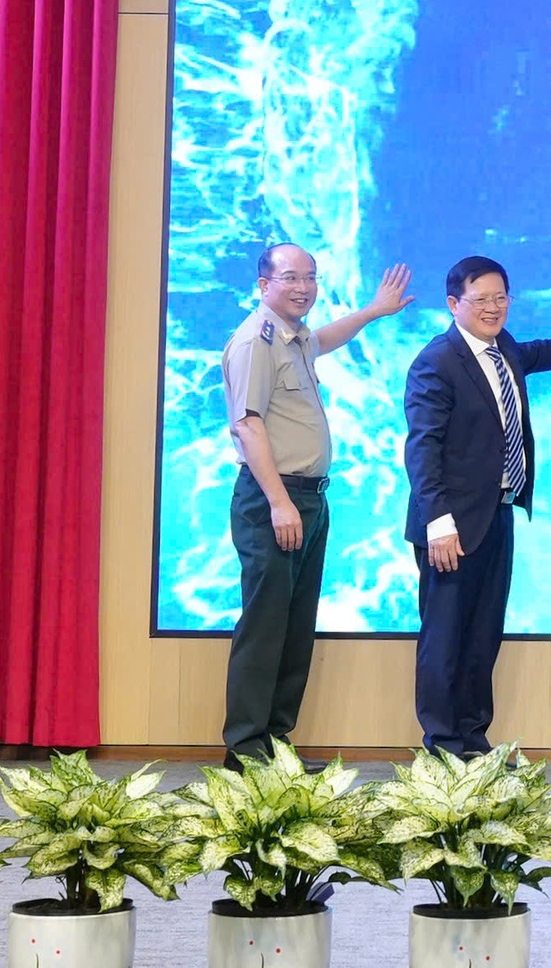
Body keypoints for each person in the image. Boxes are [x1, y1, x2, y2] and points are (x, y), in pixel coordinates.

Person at [402, 256, 551, 758]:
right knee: (445, 638)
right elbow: (422, 448)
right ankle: (442, 746)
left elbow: (538, 353)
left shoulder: (501, 346)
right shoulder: (436, 362)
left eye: (500, 297)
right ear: (453, 304)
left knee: (482, 636)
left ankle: (473, 740)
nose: (493, 307)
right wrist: (438, 522)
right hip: (450, 526)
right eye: (480, 299)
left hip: (496, 514)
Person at [219, 245, 412, 769]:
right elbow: (247, 425)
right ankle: (245, 751)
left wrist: (373, 311)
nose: (303, 287)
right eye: (290, 278)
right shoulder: (255, 341)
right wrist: (279, 502)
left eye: (310, 277)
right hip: (274, 500)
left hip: (308, 498)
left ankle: (275, 744)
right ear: (264, 285)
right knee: (265, 626)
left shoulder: (295, 336)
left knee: (294, 625)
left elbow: (326, 339)